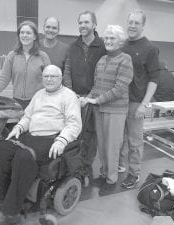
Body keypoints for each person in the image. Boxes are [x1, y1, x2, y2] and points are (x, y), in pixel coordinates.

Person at [0, 65, 82, 225]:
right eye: (46, 76)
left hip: (51, 138)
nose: (49, 79)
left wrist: (62, 140)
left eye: (53, 76)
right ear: (42, 78)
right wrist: (19, 127)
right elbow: (27, 116)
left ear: (60, 78)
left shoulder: (69, 96)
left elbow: (74, 124)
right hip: (30, 135)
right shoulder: (39, 94)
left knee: (22, 157)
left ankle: (11, 212)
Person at [81, 25, 133, 195]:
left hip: (115, 111)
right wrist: (87, 98)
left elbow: (119, 89)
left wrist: (96, 100)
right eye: (107, 38)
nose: (109, 41)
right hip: (99, 109)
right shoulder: (102, 60)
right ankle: (103, 174)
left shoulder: (125, 59)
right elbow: (97, 86)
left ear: (120, 41)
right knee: (102, 146)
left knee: (112, 147)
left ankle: (111, 179)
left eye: (113, 38)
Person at [119, 10, 161, 189]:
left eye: (137, 23)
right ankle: (120, 165)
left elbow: (154, 78)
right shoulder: (122, 45)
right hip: (119, 101)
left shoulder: (150, 48)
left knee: (134, 141)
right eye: (131, 22)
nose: (133, 26)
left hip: (136, 102)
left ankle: (134, 173)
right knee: (119, 138)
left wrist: (145, 104)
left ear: (143, 26)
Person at [63, 10, 106, 179]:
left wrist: (90, 96)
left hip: (93, 99)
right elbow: (66, 71)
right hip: (74, 98)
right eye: (80, 22)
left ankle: (86, 168)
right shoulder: (72, 47)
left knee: (90, 135)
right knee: (74, 132)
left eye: (86, 22)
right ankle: (74, 165)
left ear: (94, 25)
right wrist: (72, 94)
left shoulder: (102, 46)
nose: (83, 25)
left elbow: (102, 75)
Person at [0, 20, 50, 109]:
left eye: (28, 33)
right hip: (18, 103)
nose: (24, 35)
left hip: (38, 102)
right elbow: (3, 79)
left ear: (35, 36)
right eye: (22, 33)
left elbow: (50, 80)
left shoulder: (43, 57)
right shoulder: (12, 56)